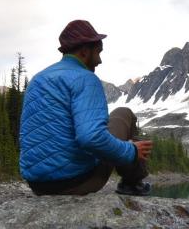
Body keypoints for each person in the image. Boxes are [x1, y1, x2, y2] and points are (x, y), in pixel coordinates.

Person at [19, 19, 152, 196]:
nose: (100, 60)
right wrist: (131, 151)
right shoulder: (85, 78)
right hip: (75, 182)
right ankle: (132, 183)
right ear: (84, 51)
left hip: (37, 184)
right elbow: (91, 138)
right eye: (98, 52)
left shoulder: (38, 79)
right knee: (123, 114)